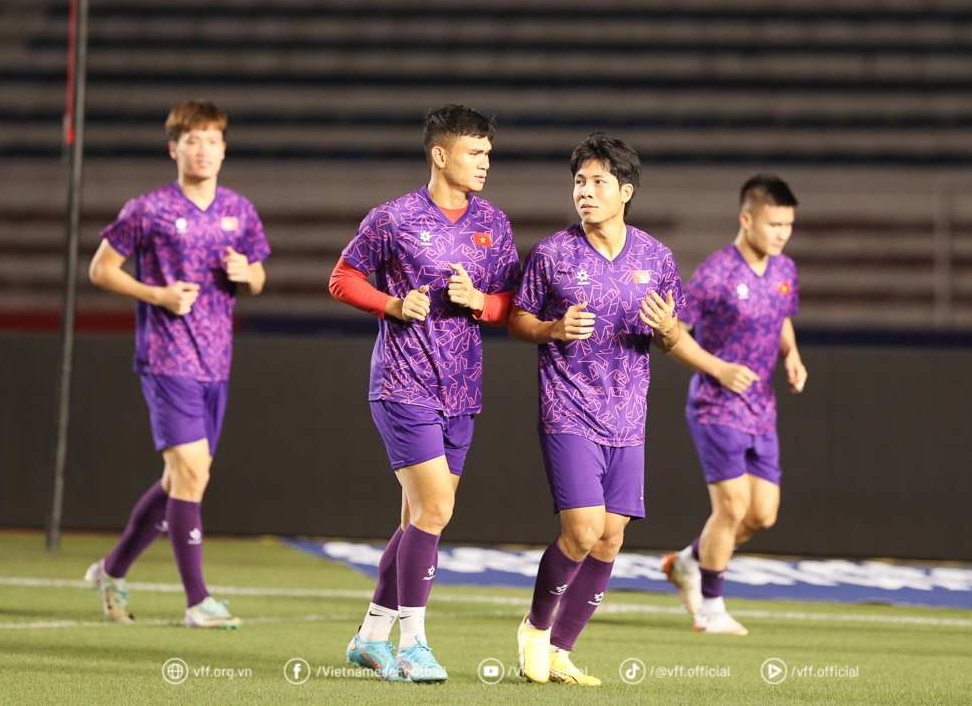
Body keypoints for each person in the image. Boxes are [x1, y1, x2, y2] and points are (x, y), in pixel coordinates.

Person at [329, 105, 520, 683]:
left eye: (488, 152)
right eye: (474, 152)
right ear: (441, 155)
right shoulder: (392, 218)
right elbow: (342, 278)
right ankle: (413, 643)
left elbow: (511, 304)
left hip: (461, 389)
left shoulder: (495, 223)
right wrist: (391, 303)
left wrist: (479, 303)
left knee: (420, 519)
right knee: (436, 508)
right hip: (403, 381)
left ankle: (369, 637)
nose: (485, 162)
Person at [84, 100, 270, 629]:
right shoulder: (148, 209)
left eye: (212, 140)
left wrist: (245, 273)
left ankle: (113, 570)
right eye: (193, 140)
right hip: (167, 357)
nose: (204, 149)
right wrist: (157, 295)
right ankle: (198, 602)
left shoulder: (240, 209)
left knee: (180, 479)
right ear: (174, 149)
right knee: (191, 473)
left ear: (224, 149)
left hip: (217, 361)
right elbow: (101, 269)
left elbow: (258, 276)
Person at [510, 132, 684, 686]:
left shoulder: (657, 258)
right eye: (579, 182)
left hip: (629, 417)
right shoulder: (552, 254)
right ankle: (535, 630)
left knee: (610, 538)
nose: (585, 192)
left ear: (625, 190)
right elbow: (517, 321)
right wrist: (554, 328)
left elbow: (673, 335)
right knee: (582, 530)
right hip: (568, 408)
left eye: (598, 182)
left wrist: (668, 329)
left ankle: (561, 650)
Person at [661, 174, 806, 635]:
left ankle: (687, 562)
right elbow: (672, 333)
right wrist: (718, 369)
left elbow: (781, 318)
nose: (782, 233)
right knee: (733, 507)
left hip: (762, 409)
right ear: (747, 220)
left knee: (762, 514)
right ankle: (711, 606)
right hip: (716, 405)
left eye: (788, 224)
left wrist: (793, 355)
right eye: (774, 223)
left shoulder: (785, 270)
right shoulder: (716, 273)